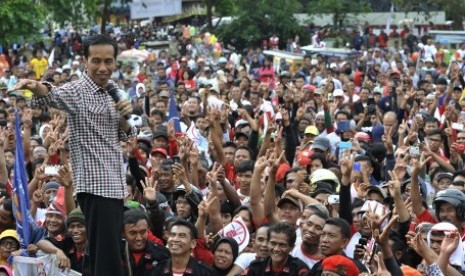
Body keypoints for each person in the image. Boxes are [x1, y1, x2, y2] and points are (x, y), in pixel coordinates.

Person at [8, 34, 135, 276]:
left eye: (108, 61)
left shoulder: (114, 89)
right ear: (85, 61)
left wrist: (124, 115)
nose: (103, 67)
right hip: (97, 187)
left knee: (103, 254)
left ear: (115, 62)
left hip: (114, 185)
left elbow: (129, 133)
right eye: (96, 61)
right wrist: (37, 86)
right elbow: (52, 94)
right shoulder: (78, 90)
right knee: (107, 260)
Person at [121, 208, 170, 276]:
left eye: (143, 232)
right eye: (133, 233)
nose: (139, 238)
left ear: (148, 230)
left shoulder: (162, 254)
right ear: (123, 233)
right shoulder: (116, 254)